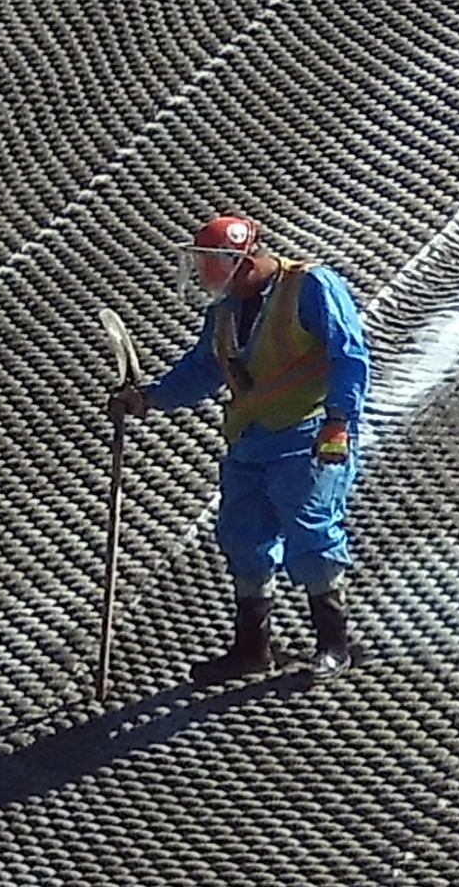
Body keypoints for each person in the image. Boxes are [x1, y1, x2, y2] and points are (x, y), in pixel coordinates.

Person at [109, 213, 370, 683]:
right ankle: (253, 648)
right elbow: (204, 369)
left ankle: (335, 643)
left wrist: (340, 421)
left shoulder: (310, 286)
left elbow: (348, 355)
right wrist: (148, 398)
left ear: (246, 261)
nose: (211, 280)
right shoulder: (226, 312)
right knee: (242, 535)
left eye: (215, 267)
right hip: (251, 441)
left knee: (311, 533)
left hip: (306, 436)